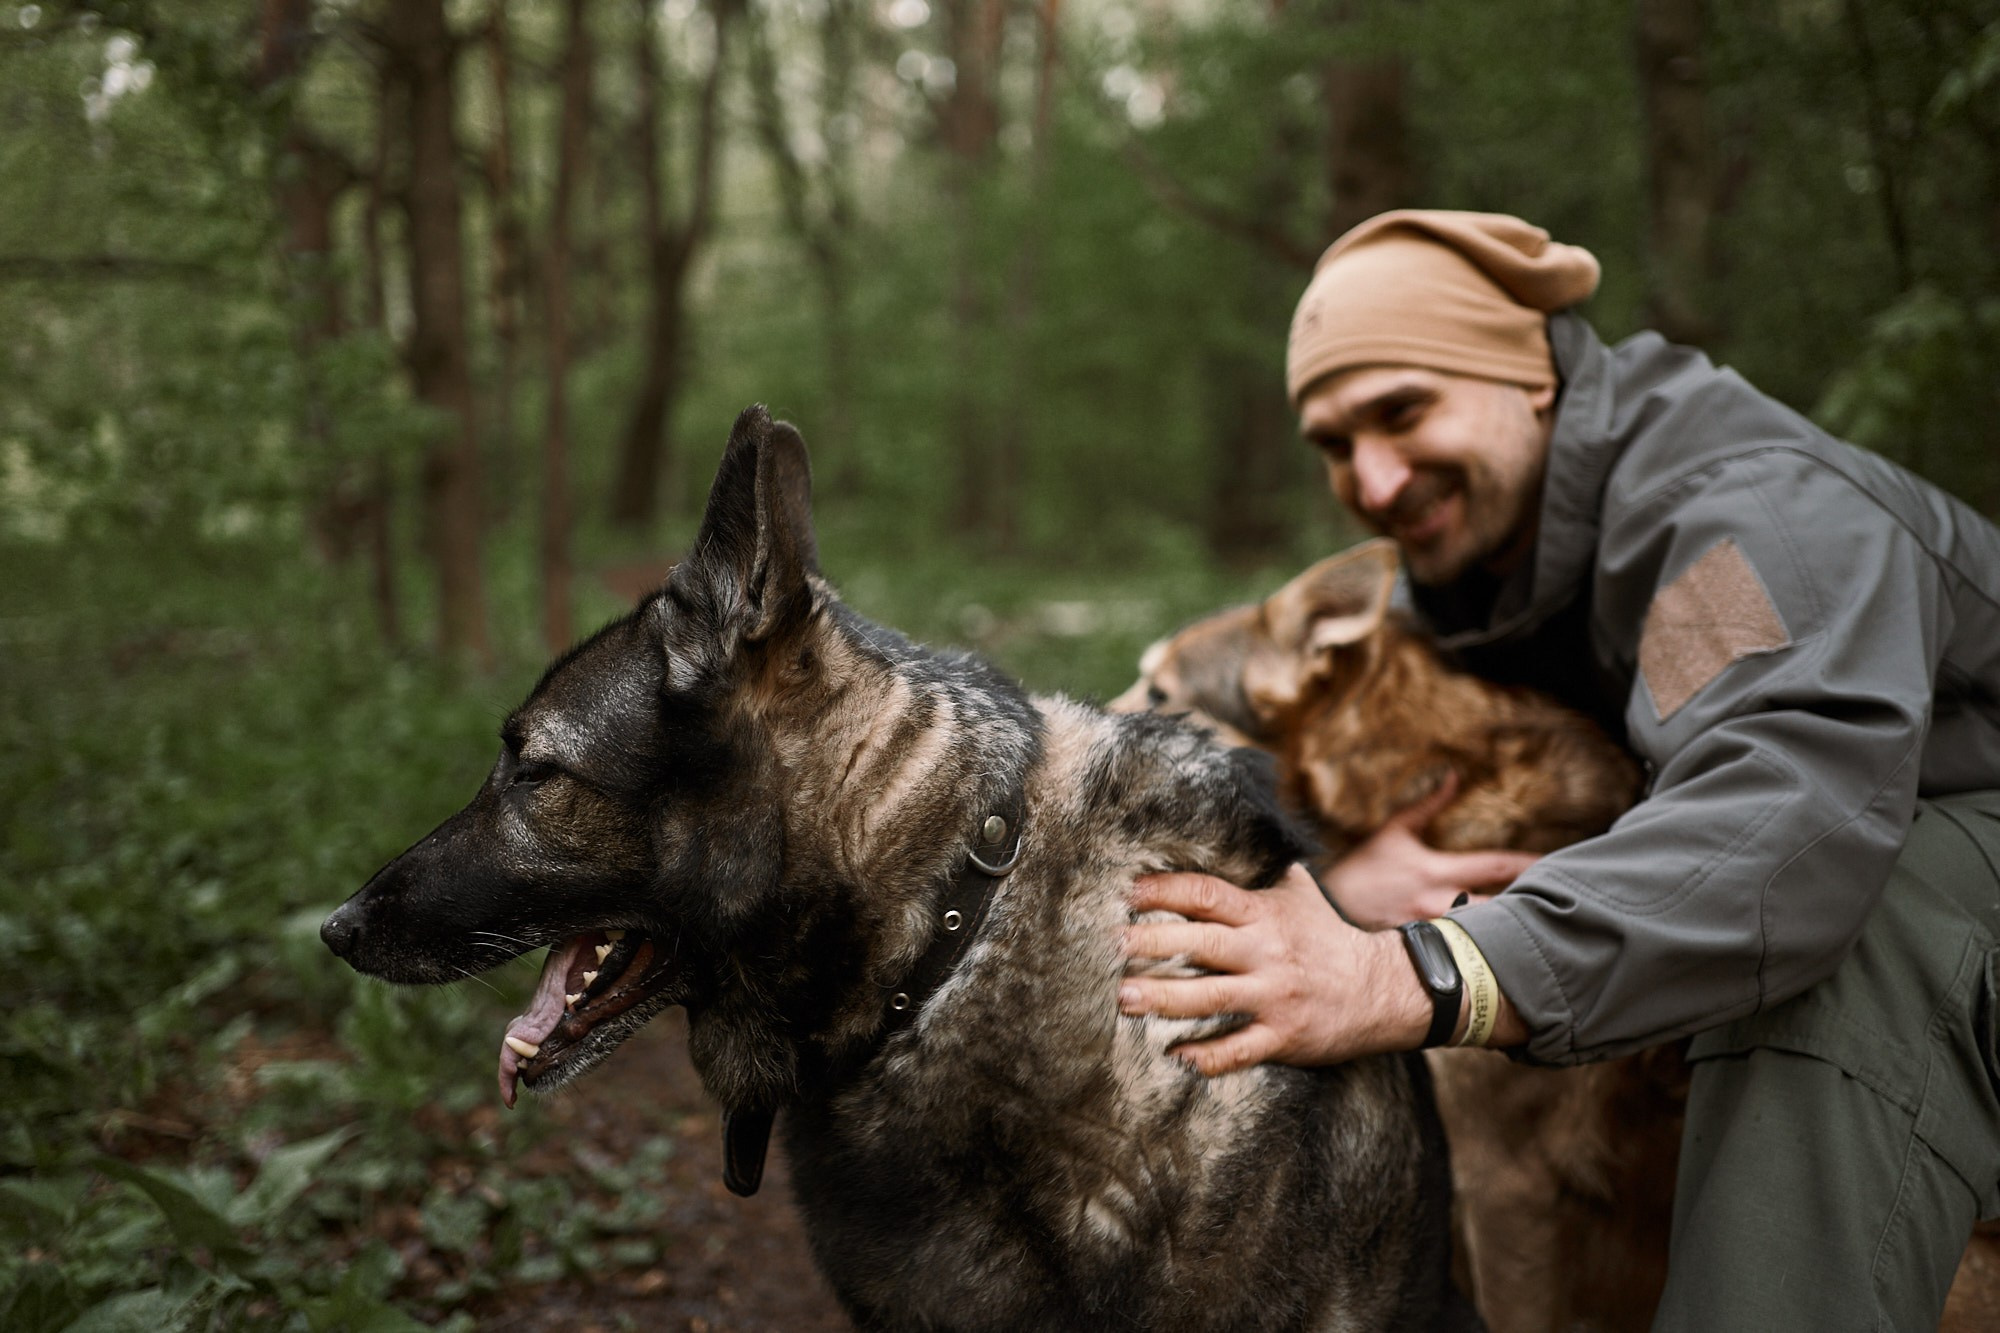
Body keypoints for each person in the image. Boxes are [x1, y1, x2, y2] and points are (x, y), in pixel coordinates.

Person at [1117, 209, 2000, 1330]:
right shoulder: (1492, 573)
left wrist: (1406, 973)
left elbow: (1780, 828)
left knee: (1866, 924)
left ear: (1527, 373)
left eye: (1402, 412)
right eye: (1335, 445)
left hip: (1932, 878)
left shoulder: (1753, 517)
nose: (1374, 481)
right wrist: (1344, 873)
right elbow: (1281, 717)